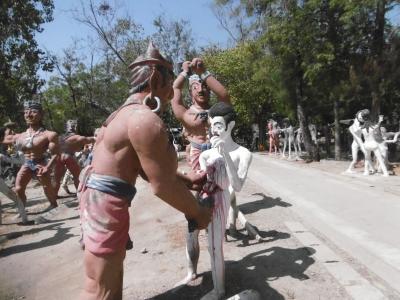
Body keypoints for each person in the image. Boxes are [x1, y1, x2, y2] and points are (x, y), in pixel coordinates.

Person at [78, 42, 212, 300]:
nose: (172, 88)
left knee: (112, 275)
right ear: (154, 78)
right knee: (98, 287)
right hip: (104, 203)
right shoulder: (144, 120)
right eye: (169, 80)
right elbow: (161, 186)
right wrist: (198, 212)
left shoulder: (121, 115)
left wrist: (186, 179)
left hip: (97, 198)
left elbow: (145, 169)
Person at [171, 58, 230, 171]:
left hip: (216, 151)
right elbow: (175, 89)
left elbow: (224, 95)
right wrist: (184, 73)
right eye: (195, 87)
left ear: (210, 90)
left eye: (205, 86)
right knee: (199, 181)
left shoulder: (217, 111)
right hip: (196, 152)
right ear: (190, 92)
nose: (200, 90)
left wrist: (204, 72)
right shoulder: (186, 113)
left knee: (219, 184)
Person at [2, 100, 60, 209]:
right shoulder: (20, 136)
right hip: (27, 163)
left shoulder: (49, 134)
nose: (28, 114)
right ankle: (22, 209)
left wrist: (48, 167)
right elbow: (3, 139)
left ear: (41, 114)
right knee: (19, 188)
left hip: (41, 164)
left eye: (33, 111)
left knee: (47, 187)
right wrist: (8, 127)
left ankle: (53, 204)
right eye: (25, 112)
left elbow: (56, 154)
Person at [54, 119, 95, 196]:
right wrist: (95, 138)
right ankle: (81, 195)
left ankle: (54, 197)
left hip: (59, 157)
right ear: (75, 127)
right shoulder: (76, 137)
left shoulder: (60, 137)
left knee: (57, 179)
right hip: (69, 156)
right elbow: (87, 139)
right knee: (77, 177)